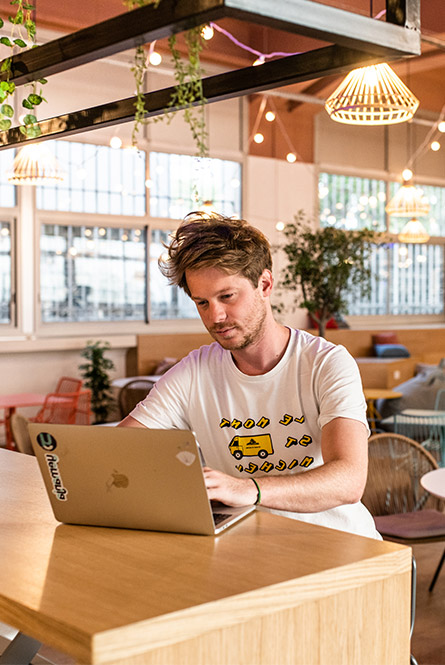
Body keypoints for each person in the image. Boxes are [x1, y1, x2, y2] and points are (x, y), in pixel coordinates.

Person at [119, 212, 380, 539]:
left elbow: (349, 481)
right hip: (248, 547)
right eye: (202, 303)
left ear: (265, 284)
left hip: (340, 545)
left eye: (227, 296)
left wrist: (249, 489)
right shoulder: (194, 372)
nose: (216, 316)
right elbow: (120, 448)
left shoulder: (326, 363)